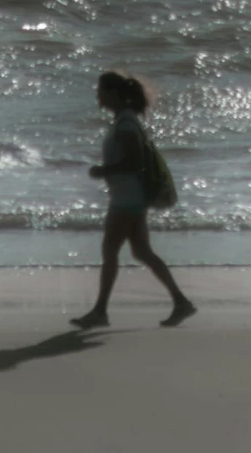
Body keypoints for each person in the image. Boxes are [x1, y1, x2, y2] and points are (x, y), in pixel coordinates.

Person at [71, 70, 196, 329]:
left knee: (111, 252)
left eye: (101, 91)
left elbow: (134, 162)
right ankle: (181, 302)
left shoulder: (126, 124)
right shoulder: (124, 121)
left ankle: (100, 312)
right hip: (129, 198)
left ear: (114, 94)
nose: (98, 96)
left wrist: (103, 171)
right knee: (142, 252)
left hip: (127, 200)